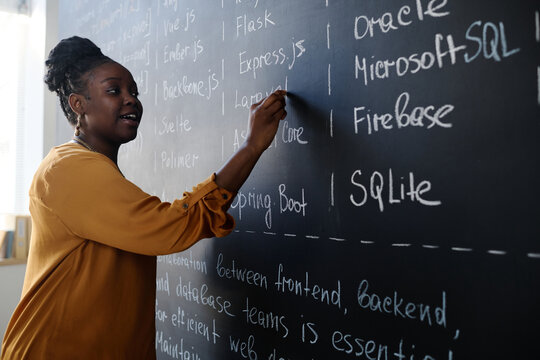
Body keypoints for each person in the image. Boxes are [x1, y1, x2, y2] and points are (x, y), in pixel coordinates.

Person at [0, 36, 287, 359]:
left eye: (134, 91)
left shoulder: (91, 167)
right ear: (78, 104)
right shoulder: (69, 169)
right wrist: (250, 147)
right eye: (114, 91)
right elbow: (170, 227)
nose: (131, 100)